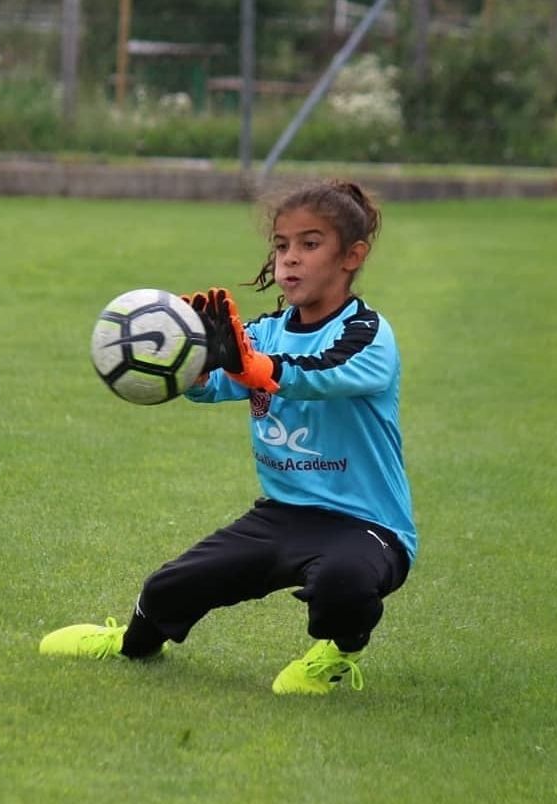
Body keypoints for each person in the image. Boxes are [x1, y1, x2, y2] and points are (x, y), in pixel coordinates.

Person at [39, 179, 417, 695]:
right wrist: (192, 364)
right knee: (169, 587)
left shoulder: (367, 334)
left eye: (310, 244)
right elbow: (214, 385)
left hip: (368, 527)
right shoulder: (262, 333)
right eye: (282, 245)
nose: (290, 259)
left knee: (342, 583)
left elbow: (320, 371)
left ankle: (338, 652)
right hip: (282, 514)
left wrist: (255, 367)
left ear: (352, 255)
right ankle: (131, 646)